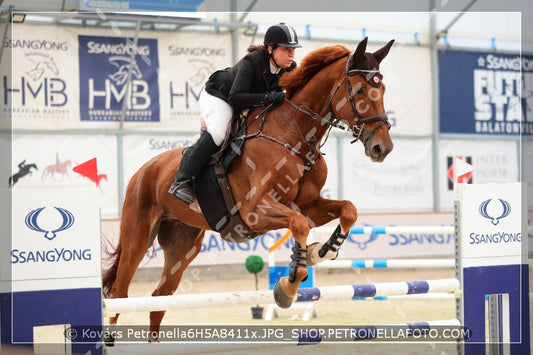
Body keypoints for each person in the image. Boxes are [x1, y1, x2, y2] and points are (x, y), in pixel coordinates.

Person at [169, 23, 302, 204]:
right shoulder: (252, 62)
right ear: (270, 49)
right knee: (218, 133)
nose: (291, 55)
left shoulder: (290, 67)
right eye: (286, 49)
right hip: (220, 96)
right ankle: (181, 180)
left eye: (293, 50)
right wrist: (269, 97)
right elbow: (236, 97)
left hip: (246, 101)